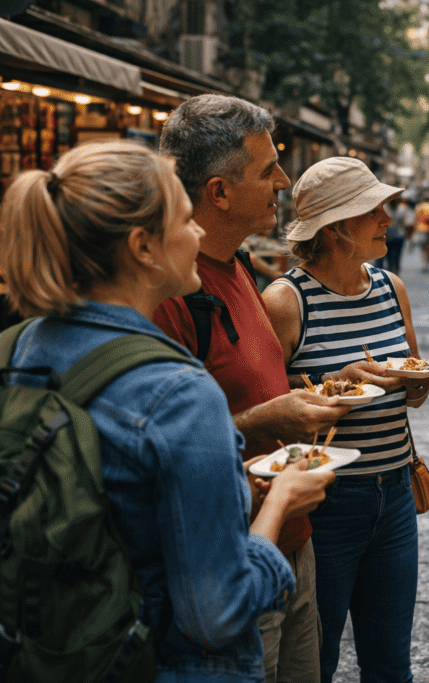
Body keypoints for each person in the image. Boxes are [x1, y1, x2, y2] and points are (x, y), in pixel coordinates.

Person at [0, 140, 334, 681]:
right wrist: (281, 504)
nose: (198, 234)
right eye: (184, 219)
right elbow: (216, 614)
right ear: (143, 248)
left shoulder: (16, 349)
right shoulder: (180, 394)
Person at [154, 94, 351, 683]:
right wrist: (267, 419)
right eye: (268, 171)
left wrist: (321, 386)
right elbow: (161, 446)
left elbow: (254, 381)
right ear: (218, 192)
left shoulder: (236, 264)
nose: (284, 182)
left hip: (290, 535)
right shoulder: (173, 296)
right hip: (226, 556)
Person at [262, 156, 429, 683]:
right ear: (337, 227)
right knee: (316, 660)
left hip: (394, 497)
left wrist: (418, 384)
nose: (389, 219)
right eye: (375, 210)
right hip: (325, 501)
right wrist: (331, 382)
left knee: (390, 663)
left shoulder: (391, 289)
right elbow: (271, 406)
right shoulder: (286, 301)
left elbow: (411, 390)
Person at [413, 194, 429, 272]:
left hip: (420, 228)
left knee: (423, 249)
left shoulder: (419, 206)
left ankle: (424, 264)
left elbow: (415, 218)